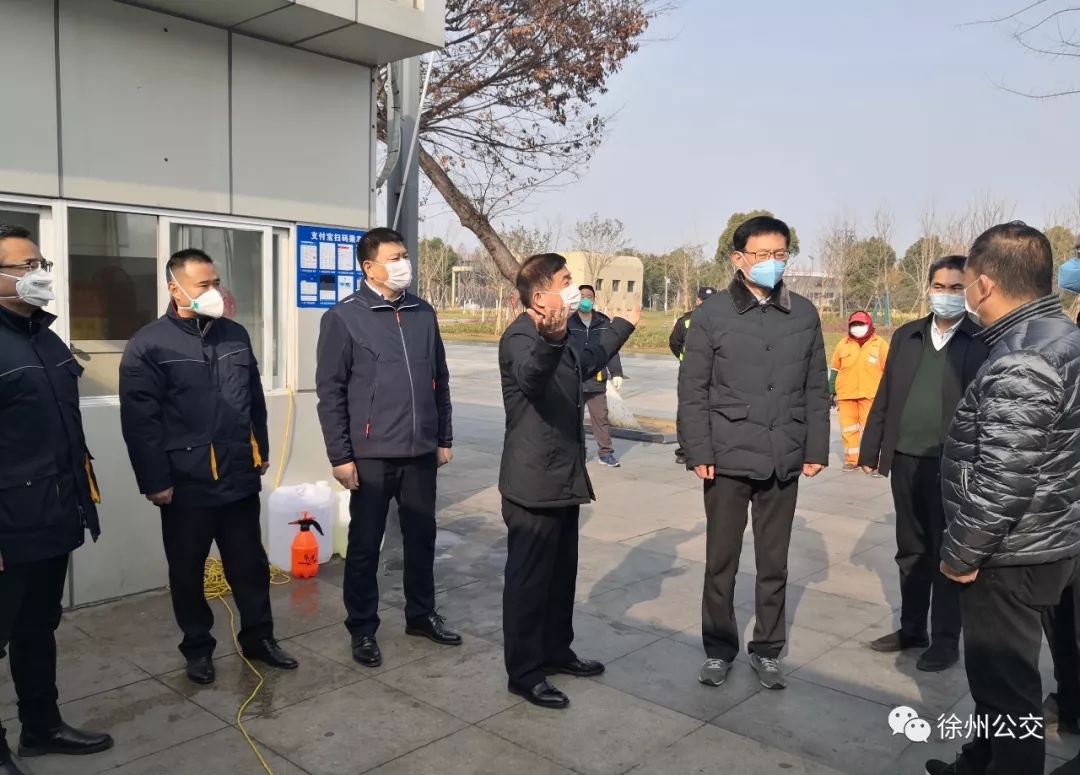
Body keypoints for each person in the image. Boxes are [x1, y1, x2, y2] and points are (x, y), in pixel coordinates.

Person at [927, 222, 1080, 775]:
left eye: (965, 281)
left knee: (1007, 686)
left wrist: (961, 553)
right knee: (997, 684)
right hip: (1056, 535)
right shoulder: (1065, 337)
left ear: (984, 284)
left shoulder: (1022, 359)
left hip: (1011, 552)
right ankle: (980, 760)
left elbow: (1002, 478)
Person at [120, 248, 297, 687]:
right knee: (187, 571)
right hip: (186, 484)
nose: (214, 291)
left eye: (216, 282)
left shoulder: (234, 334)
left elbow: (253, 400)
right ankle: (197, 648)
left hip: (238, 476)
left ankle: (259, 638)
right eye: (204, 284)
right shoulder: (149, 344)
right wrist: (155, 480)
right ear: (175, 288)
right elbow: (141, 421)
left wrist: (260, 450)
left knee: (249, 566)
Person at [677, 215, 830, 691]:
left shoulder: (803, 314)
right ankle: (719, 648)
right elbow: (693, 389)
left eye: (780, 254)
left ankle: (767, 648)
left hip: (783, 454)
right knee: (721, 559)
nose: (772, 262)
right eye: (762, 254)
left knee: (774, 562)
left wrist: (815, 446)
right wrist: (698, 449)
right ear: (738, 259)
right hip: (725, 456)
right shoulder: (712, 314)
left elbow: (816, 388)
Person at [499, 253, 639, 709]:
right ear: (540, 296)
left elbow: (587, 358)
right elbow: (532, 378)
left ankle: (557, 652)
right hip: (532, 482)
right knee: (528, 583)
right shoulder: (520, 337)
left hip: (563, 475)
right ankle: (524, 672)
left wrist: (622, 326)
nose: (574, 289)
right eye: (565, 281)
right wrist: (551, 340)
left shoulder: (561, 335)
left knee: (561, 576)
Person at [315, 227, 459, 670]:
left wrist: (443, 437)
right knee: (365, 544)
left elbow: (439, 379)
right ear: (369, 266)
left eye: (404, 256)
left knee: (422, 537)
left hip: (420, 451)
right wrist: (341, 456)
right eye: (394, 258)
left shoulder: (423, 312)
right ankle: (362, 627)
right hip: (371, 453)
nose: (403, 264)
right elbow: (331, 392)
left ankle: (421, 614)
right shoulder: (344, 317)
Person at [0, 225, 113, 774]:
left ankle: (41, 726)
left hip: (52, 511)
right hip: (8, 525)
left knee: (38, 627)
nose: (38, 273)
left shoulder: (45, 337)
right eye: (25, 266)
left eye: (39, 263)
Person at [857, 255, 987, 674]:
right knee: (911, 549)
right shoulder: (907, 336)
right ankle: (913, 628)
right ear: (927, 288)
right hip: (906, 459)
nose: (946, 294)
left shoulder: (981, 340)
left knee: (946, 552)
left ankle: (946, 640)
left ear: (969, 291)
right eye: (939, 286)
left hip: (954, 465)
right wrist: (872, 448)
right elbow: (886, 394)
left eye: (955, 287)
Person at [568, 285, 625, 467]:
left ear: (594, 299)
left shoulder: (603, 322)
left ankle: (606, 453)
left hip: (596, 378)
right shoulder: (568, 321)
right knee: (572, 419)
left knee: (600, 417)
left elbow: (611, 348)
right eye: (582, 296)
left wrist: (616, 372)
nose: (585, 299)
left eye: (589, 296)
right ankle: (577, 452)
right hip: (574, 379)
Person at [828, 310, 887, 472]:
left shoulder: (880, 344)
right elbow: (835, 369)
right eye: (854, 324)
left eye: (860, 324)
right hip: (846, 394)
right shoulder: (843, 344)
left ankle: (871, 460)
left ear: (869, 325)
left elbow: (888, 370)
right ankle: (851, 460)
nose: (857, 327)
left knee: (872, 429)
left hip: (871, 394)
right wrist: (831, 391)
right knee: (849, 429)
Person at [669, 287, 715, 465]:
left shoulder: (721, 319)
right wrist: (686, 360)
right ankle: (684, 451)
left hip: (715, 373)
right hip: (690, 374)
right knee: (687, 411)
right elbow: (675, 343)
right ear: (697, 300)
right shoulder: (686, 320)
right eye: (704, 300)